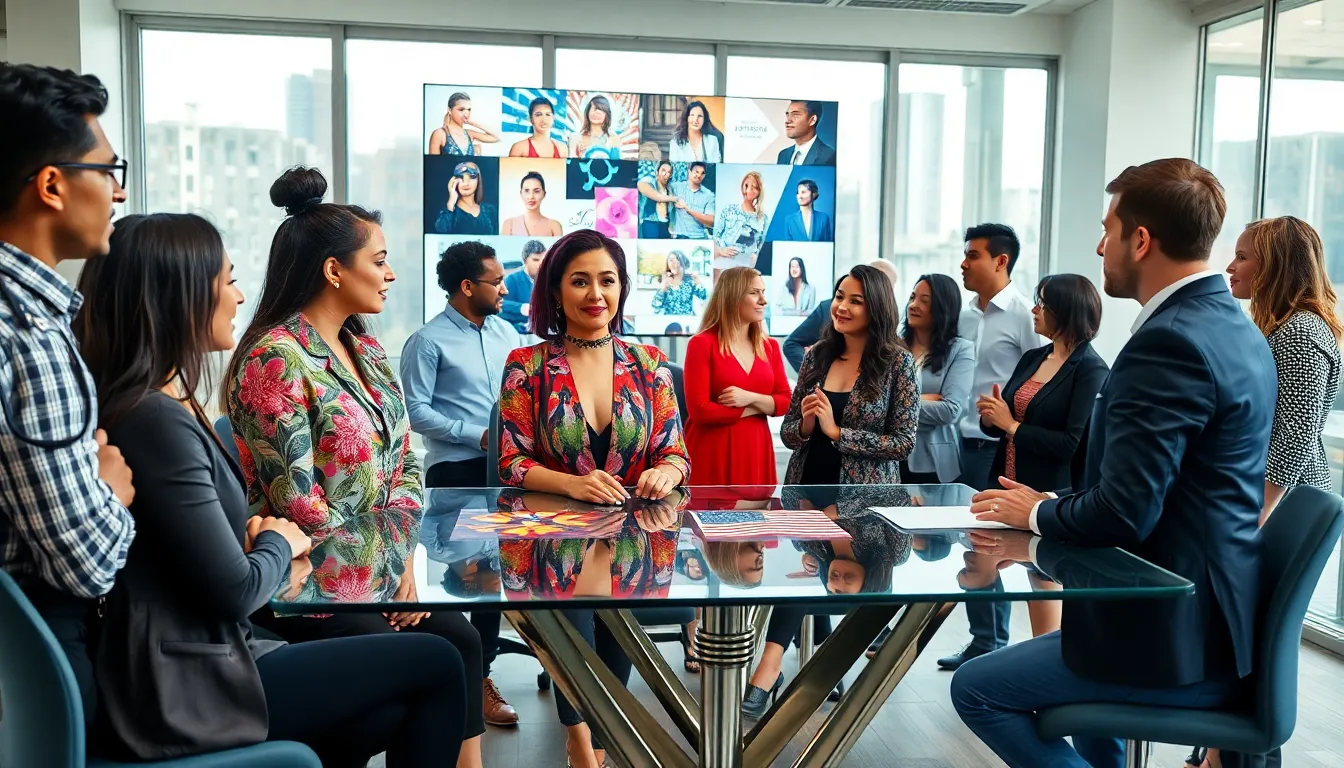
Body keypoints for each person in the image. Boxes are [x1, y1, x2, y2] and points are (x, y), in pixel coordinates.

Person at [76, 213, 468, 765]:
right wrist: (278, 541)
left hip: (217, 651)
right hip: (191, 681)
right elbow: (237, 589)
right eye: (226, 280)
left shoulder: (156, 409)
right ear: (179, 296)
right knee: (439, 662)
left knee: (387, 710)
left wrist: (258, 539)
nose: (239, 297)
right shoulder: (155, 420)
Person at [955, 158, 1277, 768]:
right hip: (1219, 626)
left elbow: (1125, 508)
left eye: (1108, 230)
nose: (1100, 246)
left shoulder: (1170, 341)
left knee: (976, 689)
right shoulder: (1237, 328)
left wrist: (1042, 512)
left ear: (1141, 240)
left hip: (1171, 638)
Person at [226, 167, 489, 768]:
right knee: (416, 670)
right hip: (306, 583)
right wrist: (378, 582)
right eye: (381, 259)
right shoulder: (274, 357)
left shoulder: (364, 346)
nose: (391, 274)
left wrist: (398, 573)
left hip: (375, 571)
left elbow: (403, 467)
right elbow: (297, 503)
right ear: (334, 270)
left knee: (461, 638)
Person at [498, 228, 690, 768]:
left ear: (623, 288)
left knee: (617, 658)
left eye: (607, 280)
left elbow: (676, 452)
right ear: (555, 291)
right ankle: (581, 743)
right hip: (554, 540)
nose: (595, 294)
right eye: (579, 281)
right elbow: (511, 461)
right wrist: (570, 484)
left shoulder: (650, 363)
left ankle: (601, 741)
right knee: (576, 662)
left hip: (636, 541)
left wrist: (666, 473)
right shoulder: (527, 363)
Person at [0, 63, 136, 728]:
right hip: (34, 671)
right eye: (108, 172)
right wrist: (108, 484)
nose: (116, 194)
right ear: (53, 185)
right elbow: (87, 562)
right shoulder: (25, 333)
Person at [401, 240, 523, 728]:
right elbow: (416, 411)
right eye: (496, 280)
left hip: (509, 469)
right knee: (472, 568)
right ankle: (467, 678)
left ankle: (482, 671)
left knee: (501, 566)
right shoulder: (427, 341)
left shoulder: (507, 332)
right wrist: (477, 435)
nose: (504, 287)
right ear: (467, 286)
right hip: (457, 472)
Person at [974, 274, 1107, 640]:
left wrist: (1011, 426)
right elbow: (1008, 419)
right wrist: (994, 418)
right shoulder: (1035, 357)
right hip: (1006, 484)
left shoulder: (1091, 370)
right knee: (998, 570)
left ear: (1065, 312)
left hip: (1048, 495)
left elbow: (1071, 443)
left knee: (1044, 579)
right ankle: (994, 644)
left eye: (1042, 304)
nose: (1034, 310)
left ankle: (1045, 663)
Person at [941, 222, 1046, 672]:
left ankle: (993, 644)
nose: (963, 263)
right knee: (969, 545)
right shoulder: (962, 316)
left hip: (996, 449)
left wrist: (1011, 423)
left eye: (973, 255)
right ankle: (982, 639)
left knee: (991, 545)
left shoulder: (1026, 315)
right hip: (953, 443)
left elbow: (1042, 383)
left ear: (1001, 261)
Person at [1226, 215, 1343, 524]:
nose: (1230, 267)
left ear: (1273, 265)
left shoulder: (1301, 331)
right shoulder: (1283, 327)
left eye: (1242, 257)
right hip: (1274, 497)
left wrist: (1256, 515)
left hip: (1285, 505)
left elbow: (1296, 433)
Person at [684, 266, 791, 486]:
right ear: (733, 297)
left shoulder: (769, 346)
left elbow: (785, 401)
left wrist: (749, 398)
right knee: (711, 517)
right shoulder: (702, 344)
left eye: (763, 292)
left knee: (756, 517)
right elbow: (699, 411)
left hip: (756, 450)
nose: (763, 301)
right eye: (754, 293)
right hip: (712, 453)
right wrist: (758, 407)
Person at [900, 274, 975, 484]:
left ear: (943, 307)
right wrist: (925, 400)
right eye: (912, 297)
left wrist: (895, 408)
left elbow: (950, 410)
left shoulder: (961, 350)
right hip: (889, 457)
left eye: (924, 301)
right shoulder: (893, 347)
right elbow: (875, 403)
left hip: (933, 462)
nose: (913, 305)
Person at [783, 259, 897, 372]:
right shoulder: (818, 352)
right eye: (839, 297)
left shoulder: (896, 361)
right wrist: (812, 373)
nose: (842, 307)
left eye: (855, 301)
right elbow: (791, 344)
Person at [713, 171, 769, 275]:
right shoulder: (729, 209)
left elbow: (761, 244)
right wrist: (720, 251)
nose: (748, 190)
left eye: (754, 187)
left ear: (759, 191)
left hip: (745, 267)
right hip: (723, 264)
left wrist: (755, 256)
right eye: (746, 185)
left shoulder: (763, 218)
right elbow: (715, 235)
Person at [435, 161, 498, 236]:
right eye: (461, 177)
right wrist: (451, 203)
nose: (466, 183)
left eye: (472, 177)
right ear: (453, 181)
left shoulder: (490, 210)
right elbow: (439, 233)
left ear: (478, 180)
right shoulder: (450, 213)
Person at [429, 92, 501, 156]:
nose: (466, 114)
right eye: (461, 109)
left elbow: (497, 137)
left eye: (469, 110)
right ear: (449, 110)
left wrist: (472, 123)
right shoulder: (439, 134)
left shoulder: (469, 134)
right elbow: (432, 166)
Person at [500, 171, 563, 237]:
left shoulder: (554, 226)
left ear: (544, 194)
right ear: (521, 194)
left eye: (536, 191)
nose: (531, 196)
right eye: (527, 191)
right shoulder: (509, 224)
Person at [502, 239, 545, 333]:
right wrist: (521, 308)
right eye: (535, 260)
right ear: (525, 261)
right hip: (519, 332)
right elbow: (500, 305)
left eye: (544, 260)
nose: (541, 264)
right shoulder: (512, 280)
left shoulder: (551, 280)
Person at [776, 100, 837, 166]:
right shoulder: (783, 155)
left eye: (795, 115)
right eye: (787, 114)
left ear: (812, 120)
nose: (787, 121)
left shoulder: (828, 156)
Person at [651, 249, 706, 315]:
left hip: (687, 321)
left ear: (683, 263)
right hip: (670, 322)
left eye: (678, 259)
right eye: (671, 260)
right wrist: (663, 288)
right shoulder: (665, 281)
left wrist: (698, 282)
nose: (675, 263)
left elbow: (703, 296)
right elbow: (656, 306)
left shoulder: (690, 280)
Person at [669, 161, 716, 239]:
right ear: (689, 172)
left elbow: (711, 222)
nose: (699, 175)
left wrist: (688, 209)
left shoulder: (709, 195)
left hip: (698, 237)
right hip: (678, 236)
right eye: (696, 172)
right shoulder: (676, 187)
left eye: (702, 173)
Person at [637, 160, 677, 240]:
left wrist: (672, 226)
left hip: (665, 224)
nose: (666, 174)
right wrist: (674, 199)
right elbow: (657, 197)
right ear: (657, 171)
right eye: (663, 170)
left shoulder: (670, 189)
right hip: (650, 222)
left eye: (669, 172)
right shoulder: (648, 182)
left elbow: (673, 211)